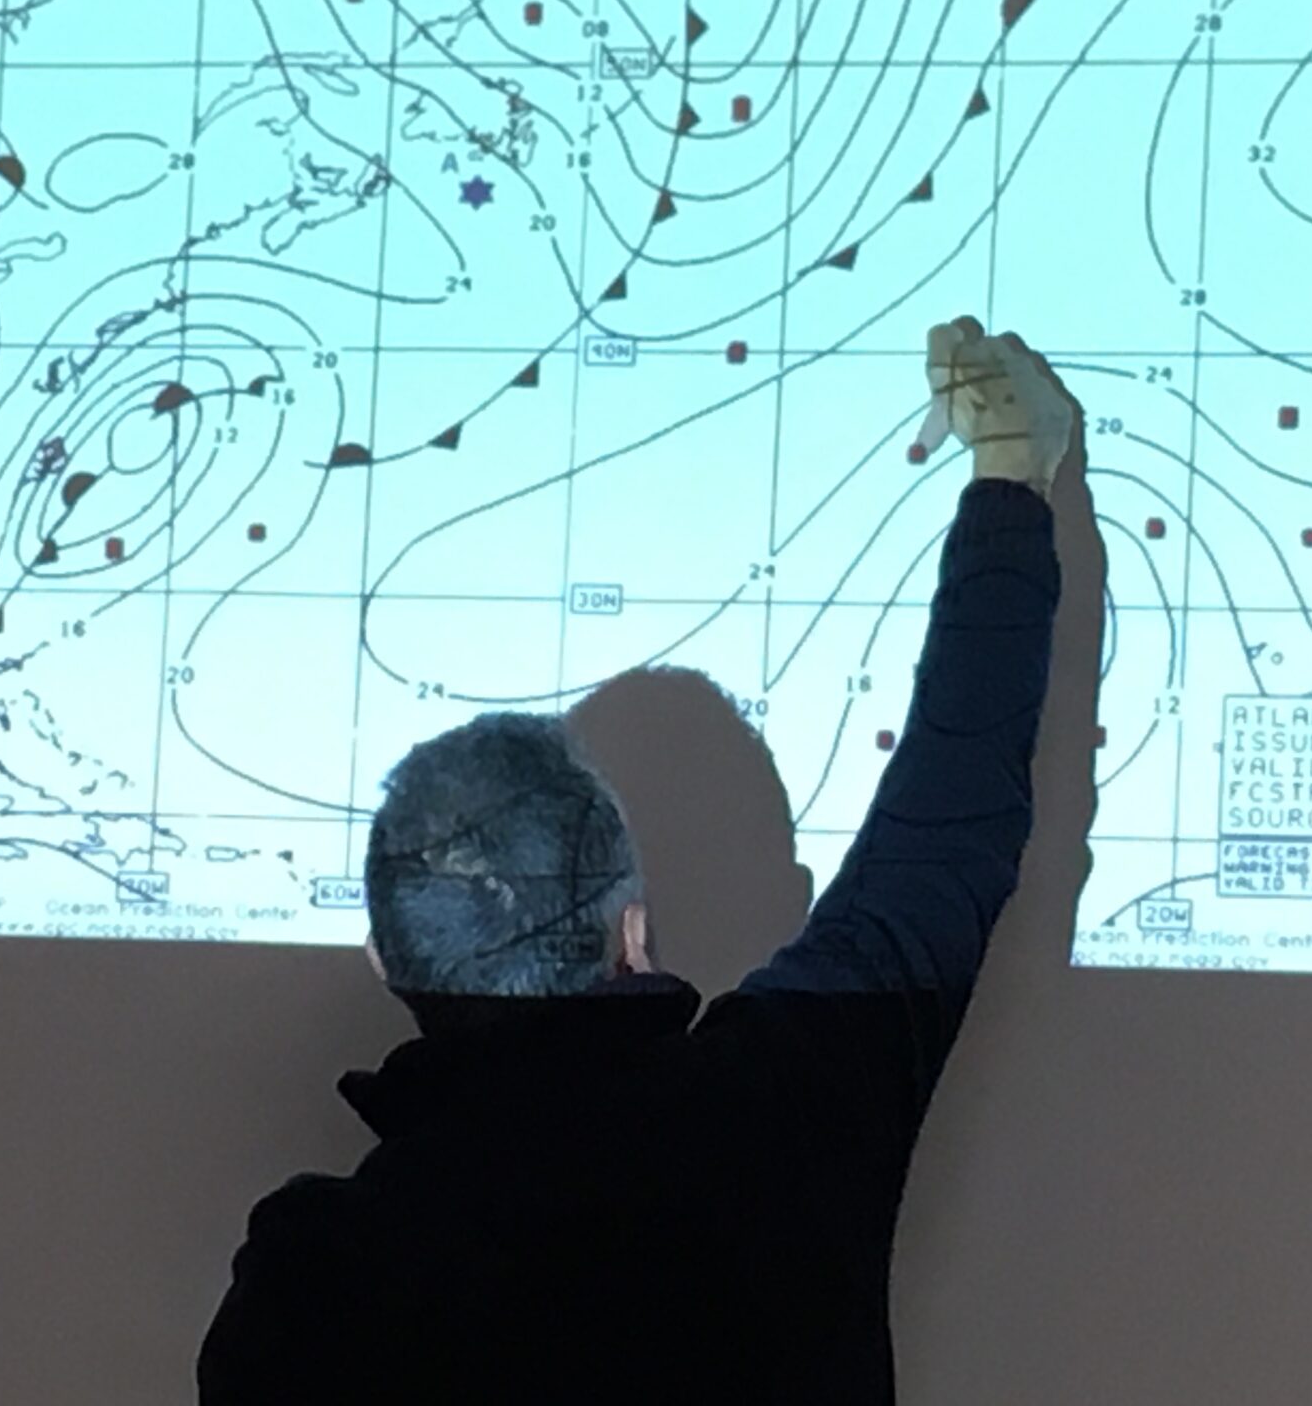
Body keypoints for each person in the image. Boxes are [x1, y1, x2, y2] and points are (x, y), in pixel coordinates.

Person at [197, 316, 1103, 1403]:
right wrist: (1010, 473)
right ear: (634, 930)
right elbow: (947, 818)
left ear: (385, 961)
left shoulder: (306, 1278)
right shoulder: (784, 1110)